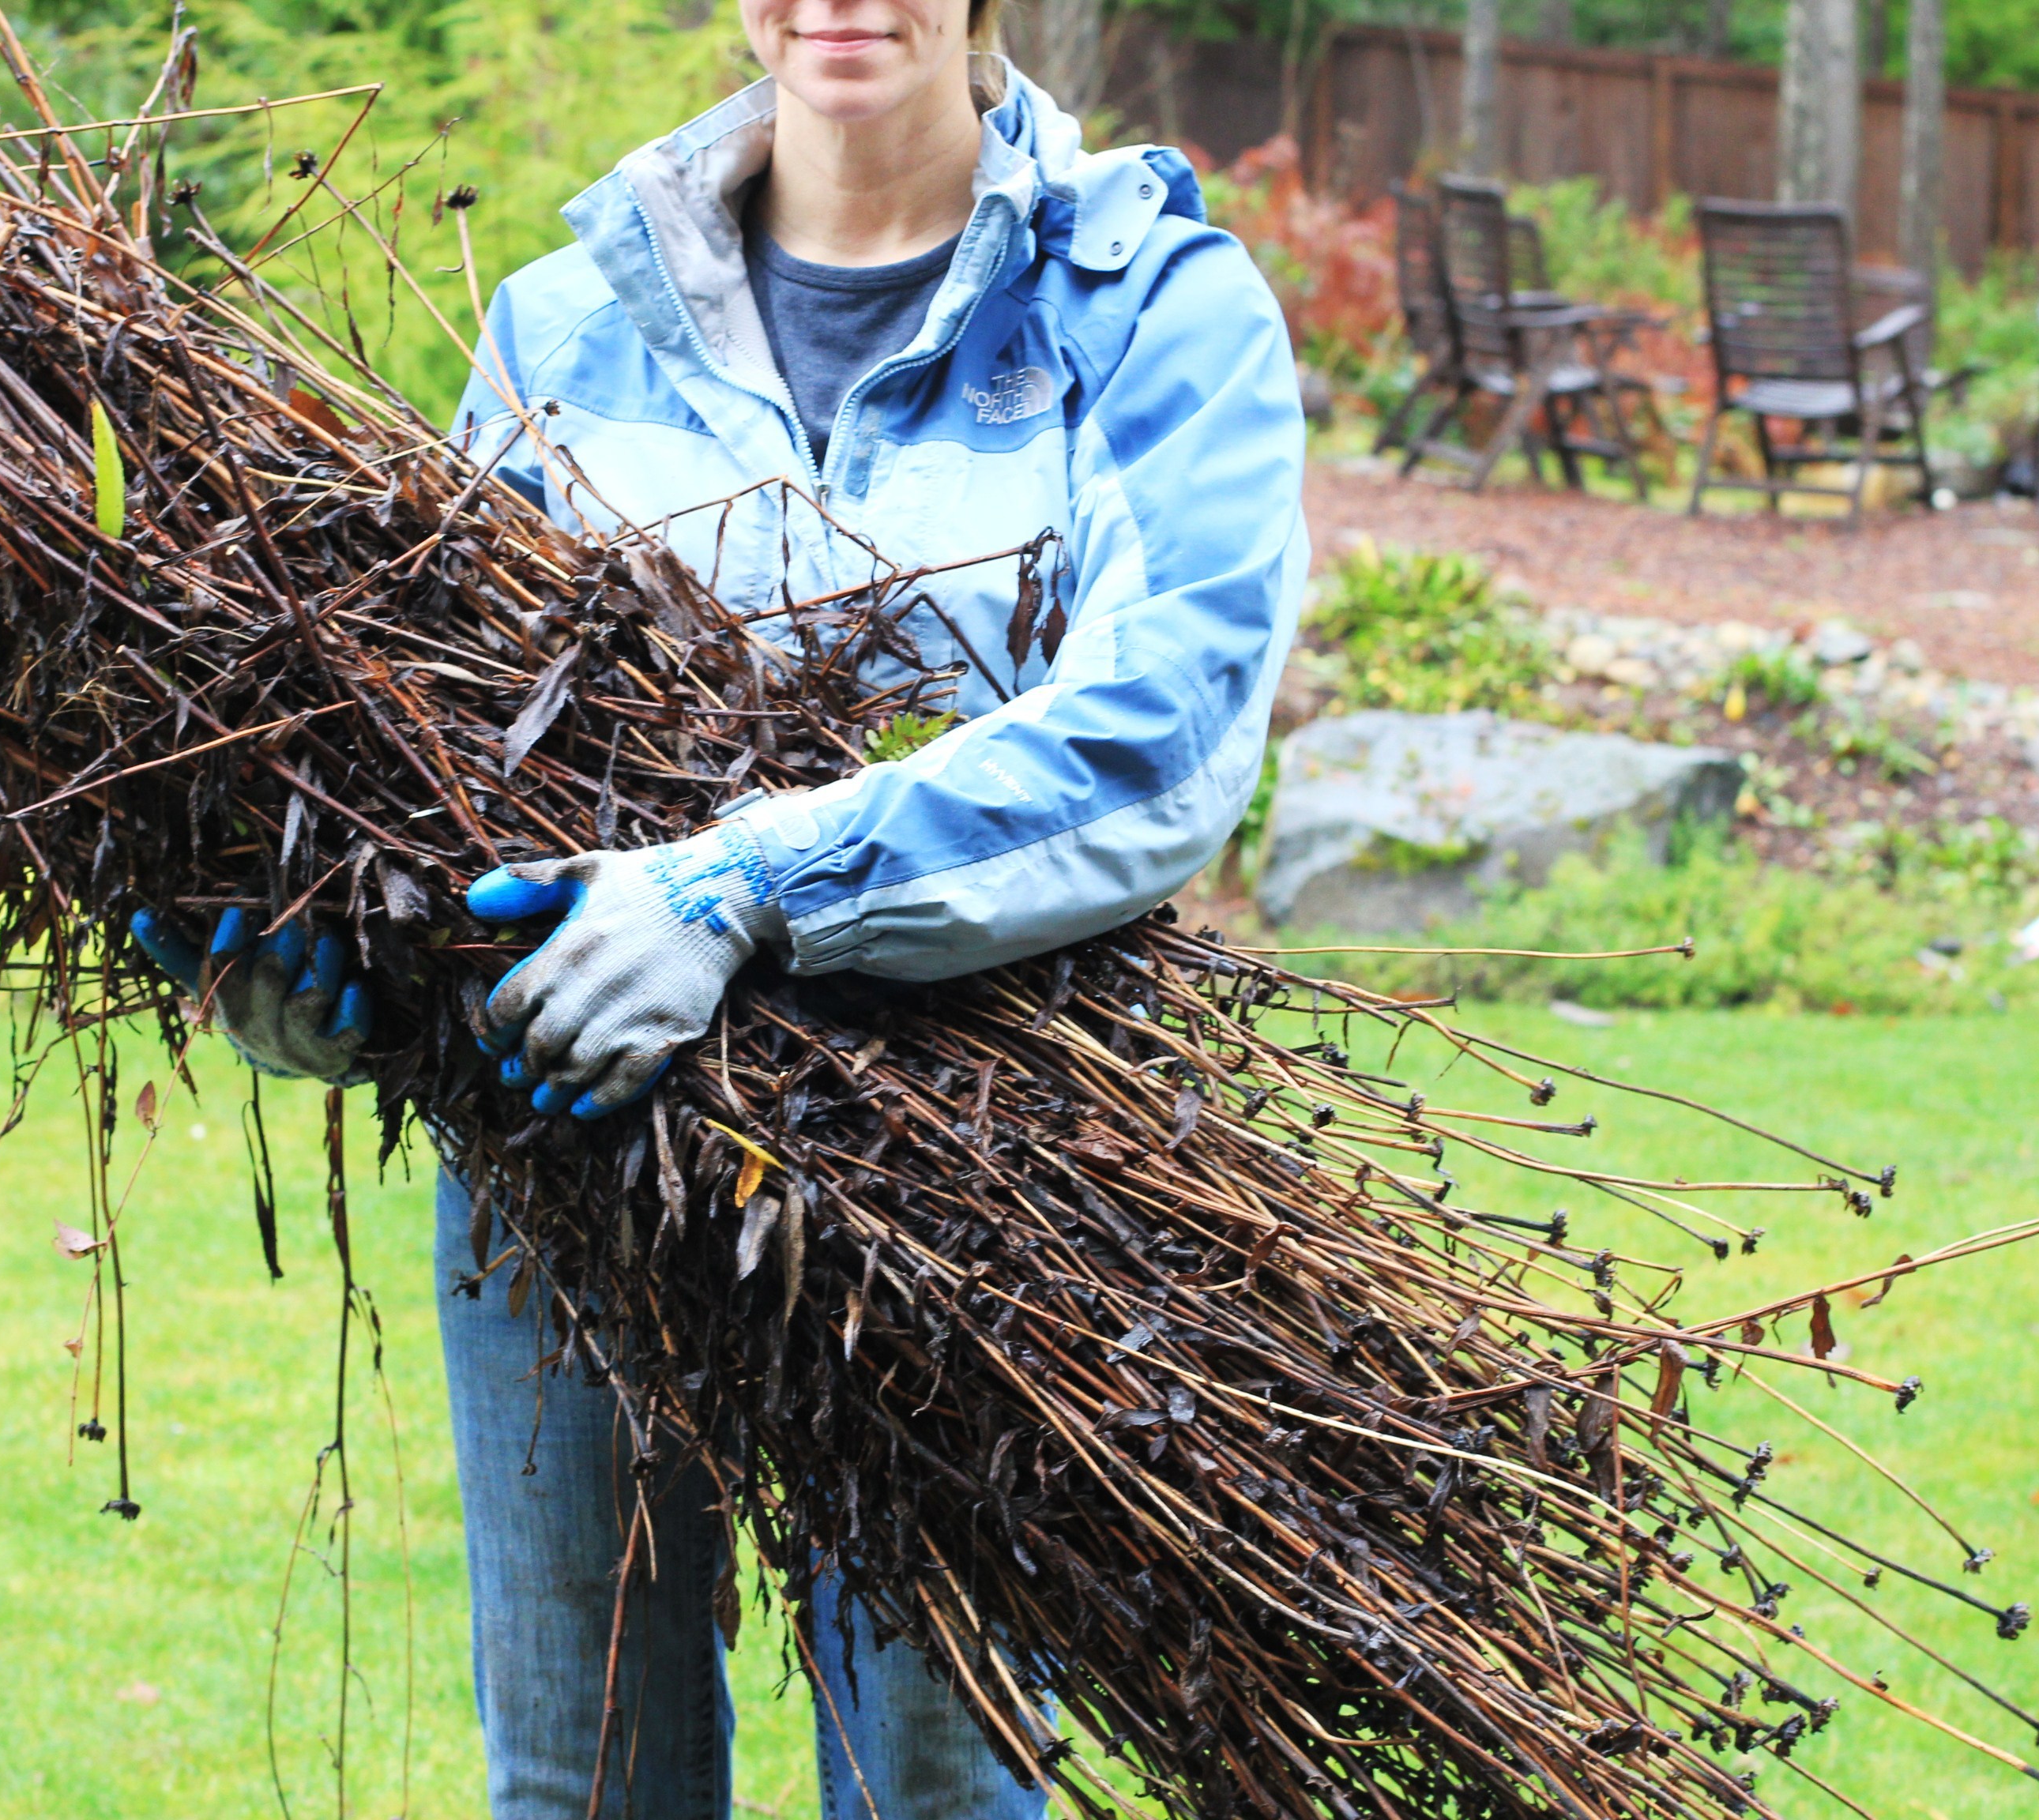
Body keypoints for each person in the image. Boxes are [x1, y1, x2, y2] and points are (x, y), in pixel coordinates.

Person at [137, 2, 1307, 1812]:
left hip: (972, 1165)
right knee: (585, 1775)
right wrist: (322, 977)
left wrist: (748, 885)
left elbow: (1166, 729)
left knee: (936, 1783)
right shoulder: (565, 320)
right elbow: (445, 758)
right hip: (571, 1138)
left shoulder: (1143, 303)